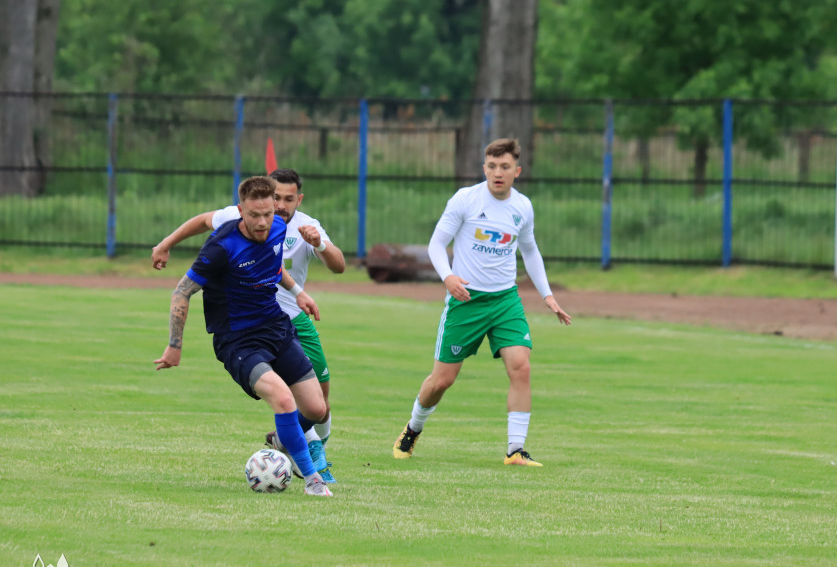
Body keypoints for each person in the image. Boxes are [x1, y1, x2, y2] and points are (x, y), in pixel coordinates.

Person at [152, 168, 346, 483]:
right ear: (241, 210)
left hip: (276, 328)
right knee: (283, 400)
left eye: (268, 214)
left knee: (315, 408)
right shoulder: (221, 247)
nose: (262, 222)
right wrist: (174, 346)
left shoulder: (280, 226)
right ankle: (313, 479)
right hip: (238, 340)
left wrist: (299, 293)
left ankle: (286, 438)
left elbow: (272, 266)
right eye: (254, 215)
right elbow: (182, 291)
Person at [393, 138, 572, 467]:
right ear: (484, 168)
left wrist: (547, 295)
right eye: (491, 166)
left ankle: (515, 449)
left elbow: (529, 250)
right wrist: (448, 277)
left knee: (521, 367)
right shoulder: (466, 199)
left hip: (506, 300)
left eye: (505, 167)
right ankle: (413, 427)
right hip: (466, 301)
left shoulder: (523, 207)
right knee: (442, 381)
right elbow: (436, 244)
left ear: (517, 171)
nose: (497, 173)